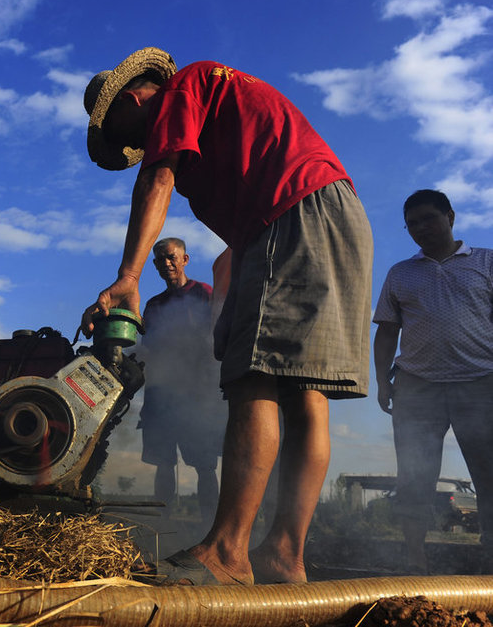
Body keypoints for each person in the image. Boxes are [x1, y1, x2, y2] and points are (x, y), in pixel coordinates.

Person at [80, 48, 372, 585]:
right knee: (305, 391)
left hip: (291, 214)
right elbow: (240, 240)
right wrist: (232, 307)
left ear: (131, 99)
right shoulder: (220, 110)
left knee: (253, 379)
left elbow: (156, 180)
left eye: (125, 133)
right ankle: (283, 554)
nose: (136, 148)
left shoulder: (181, 89)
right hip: (332, 213)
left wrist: (128, 276)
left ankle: (226, 551)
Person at [373, 189, 493, 574]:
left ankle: (490, 559)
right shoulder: (401, 273)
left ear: (450, 217)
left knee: (489, 471)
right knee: (414, 473)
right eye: (412, 224)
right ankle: (414, 559)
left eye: (428, 218)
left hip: (481, 383)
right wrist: (382, 381)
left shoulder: (486, 262)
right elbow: (387, 331)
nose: (420, 228)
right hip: (416, 386)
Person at [138, 237, 224, 525]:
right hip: (161, 394)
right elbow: (148, 350)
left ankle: (209, 525)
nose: (166, 263)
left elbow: (218, 337)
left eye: (171, 257)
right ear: (155, 265)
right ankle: (161, 526)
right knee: (163, 464)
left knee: (205, 464)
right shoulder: (153, 305)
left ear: (185, 259)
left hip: (198, 394)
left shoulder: (203, 293)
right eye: (160, 259)